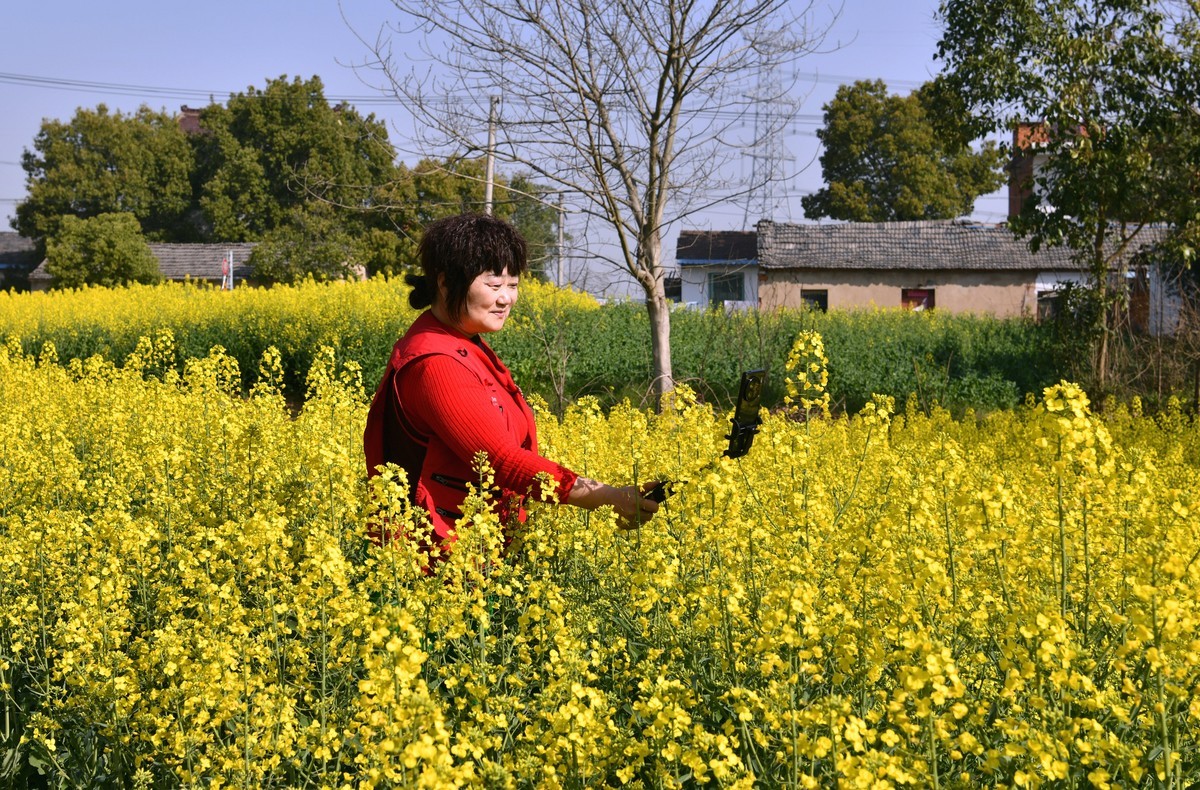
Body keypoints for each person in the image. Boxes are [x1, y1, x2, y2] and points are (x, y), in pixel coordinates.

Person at [364, 212, 658, 555]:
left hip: (479, 551)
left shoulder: (464, 343)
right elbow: (501, 461)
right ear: (444, 283)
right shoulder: (436, 364)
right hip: (441, 565)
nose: (506, 298)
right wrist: (605, 497)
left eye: (513, 285)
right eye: (494, 285)